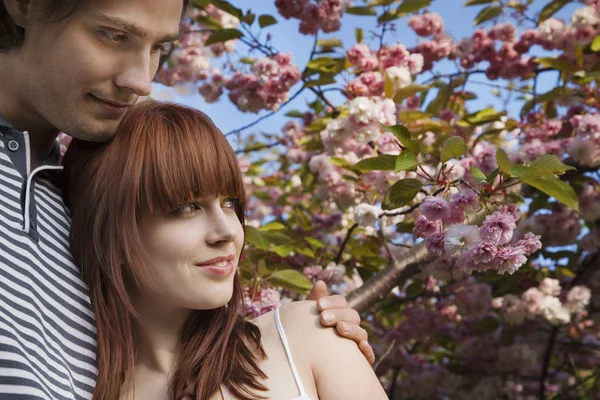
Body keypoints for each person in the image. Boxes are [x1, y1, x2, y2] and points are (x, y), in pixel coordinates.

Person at [0, 0, 373, 398]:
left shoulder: (69, 200)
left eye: (160, 48)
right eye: (113, 35)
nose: (142, 81)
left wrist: (310, 345)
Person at [61, 101, 388, 400]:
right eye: (188, 207)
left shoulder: (303, 337)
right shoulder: (76, 388)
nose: (229, 231)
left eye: (230, 203)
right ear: (110, 232)